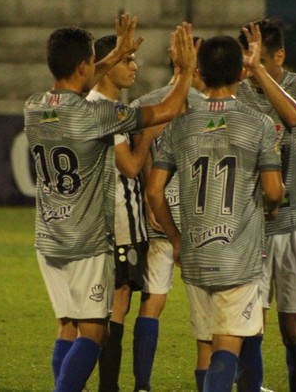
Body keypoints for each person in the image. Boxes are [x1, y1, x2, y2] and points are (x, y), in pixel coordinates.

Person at [23, 15, 197, 392]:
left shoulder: (34, 105)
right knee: (94, 331)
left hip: (48, 237)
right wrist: (184, 71)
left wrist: (115, 53)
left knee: (68, 324)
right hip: (86, 240)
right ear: (85, 65)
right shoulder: (98, 115)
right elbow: (164, 111)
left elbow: (78, 80)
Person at [146, 34, 285, 392]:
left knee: (206, 346)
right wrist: (270, 206)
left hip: (193, 255)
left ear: (201, 75)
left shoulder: (180, 124)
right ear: (242, 73)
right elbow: (273, 191)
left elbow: (154, 190)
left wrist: (175, 238)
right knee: (228, 346)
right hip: (238, 254)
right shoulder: (259, 124)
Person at [237, 19, 296, 392]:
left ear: (279, 56)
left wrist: (258, 70)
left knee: (293, 331)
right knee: (248, 326)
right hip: (251, 226)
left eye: (257, 59)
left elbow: (293, 116)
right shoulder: (237, 94)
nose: (248, 68)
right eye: (245, 60)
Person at [129, 45, 206, 392]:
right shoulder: (208, 108)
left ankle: (142, 385)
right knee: (210, 311)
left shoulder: (144, 104)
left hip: (156, 215)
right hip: (201, 220)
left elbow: (135, 155)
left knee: (152, 301)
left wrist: (148, 198)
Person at [85, 35, 153, 392]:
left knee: (99, 309)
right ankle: (107, 387)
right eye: (127, 60)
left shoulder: (94, 105)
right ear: (108, 64)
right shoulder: (105, 110)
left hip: (106, 222)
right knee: (116, 305)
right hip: (118, 223)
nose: (134, 66)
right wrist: (149, 135)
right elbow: (128, 167)